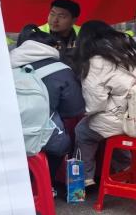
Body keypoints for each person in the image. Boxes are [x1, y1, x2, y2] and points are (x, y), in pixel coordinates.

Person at [73, 20, 136, 179]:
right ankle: (126, 169)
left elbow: (95, 105)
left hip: (131, 121)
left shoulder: (97, 61)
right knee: (112, 125)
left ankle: (83, 180)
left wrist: (85, 111)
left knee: (84, 130)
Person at [9, 25, 85, 179]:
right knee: (61, 144)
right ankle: (47, 184)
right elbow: (73, 110)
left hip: (7, 132)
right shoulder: (62, 70)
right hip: (41, 136)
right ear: (52, 47)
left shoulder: (6, 65)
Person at [40, 0, 81, 64]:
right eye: (52, 14)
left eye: (61, 16)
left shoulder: (83, 33)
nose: (55, 20)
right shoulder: (37, 34)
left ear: (74, 20)